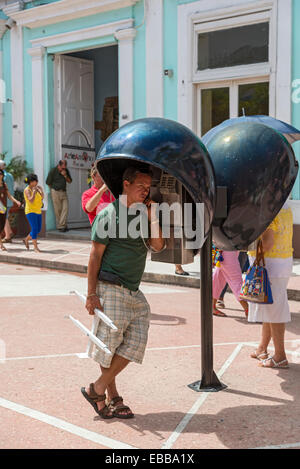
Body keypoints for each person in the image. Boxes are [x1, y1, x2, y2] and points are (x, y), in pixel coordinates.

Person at [81, 166, 165, 420]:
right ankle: (112, 397)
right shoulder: (108, 214)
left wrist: (152, 215)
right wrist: (91, 294)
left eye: (148, 186)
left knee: (136, 342)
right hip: (110, 286)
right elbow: (95, 256)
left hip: (132, 289)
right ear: (126, 184)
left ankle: (97, 388)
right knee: (109, 345)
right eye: (141, 185)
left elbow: (159, 245)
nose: (145, 190)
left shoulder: (144, 213)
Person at [248, 201, 293, 368]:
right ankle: (262, 348)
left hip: (271, 266)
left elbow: (267, 243)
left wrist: (249, 249)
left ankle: (280, 356)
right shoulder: (284, 206)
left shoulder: (269, 208)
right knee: (271, 309)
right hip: (280, 263)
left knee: (275, 312)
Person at [212, 250, 248, 318]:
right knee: (236, 280)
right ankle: (248, 309)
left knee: (219, 277)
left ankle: (212, 306)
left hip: (224, 249)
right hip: (227, 248)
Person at [46, 159, 72, 232]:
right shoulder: (53, 171)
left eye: (65, 167)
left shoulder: (66, 171)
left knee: (65, 208)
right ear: (59, 166)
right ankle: (62, 226)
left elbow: (70, 181)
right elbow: (48, 182)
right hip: (55, 191)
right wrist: (53, 189)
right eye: (62, 168)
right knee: (58, 210)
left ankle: (61, 225)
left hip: (63, 192)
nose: (64, 169)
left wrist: (65, 175)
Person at [0, 169, 21, 251]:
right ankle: (1, 245)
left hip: (3, 208)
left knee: (2, 226)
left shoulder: (4, 185)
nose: (0, 175)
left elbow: (9, 195)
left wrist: (16, 201)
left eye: (1, 174)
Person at [23, 174, 44, 253]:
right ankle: (35, 247)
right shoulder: (27, 190)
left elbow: (42, 197)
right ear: (30, 182)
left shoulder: (36, 188)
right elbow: (30, 200)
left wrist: (41, 191)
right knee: (34, 229)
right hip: (30, 211)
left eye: (36, 180)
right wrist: (34, 192)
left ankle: (26, 239)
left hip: (38, 210)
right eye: (35, 181)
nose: (36, 182)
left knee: (38, 229)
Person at [0, 159, 15, 243]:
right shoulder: (10, 175)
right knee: (5, 217)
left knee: (4, 218)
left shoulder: (3, 177)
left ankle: (8, 235)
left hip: (4, 201)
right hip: (9, 200)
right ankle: (9, 233)